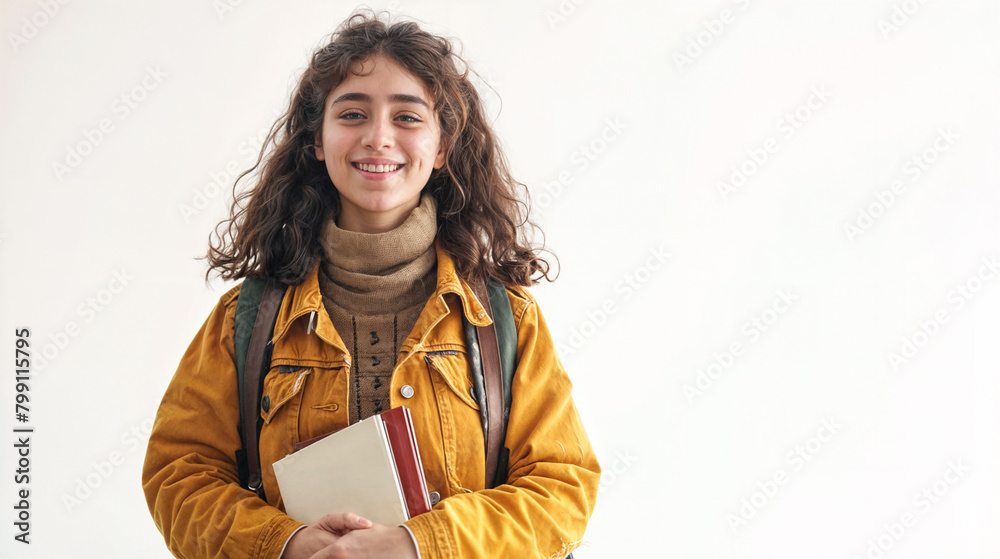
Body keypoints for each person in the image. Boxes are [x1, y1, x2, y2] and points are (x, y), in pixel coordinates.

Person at [142, 11, 600, 559]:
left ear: (443, 147)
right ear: (317, 140)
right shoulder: (248, 316)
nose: (378, 137)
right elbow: (180, 473)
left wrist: (419, 544)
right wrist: (283, 542)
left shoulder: (503, 318)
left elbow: (562, 487)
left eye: (407, 117)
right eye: (353, 113)